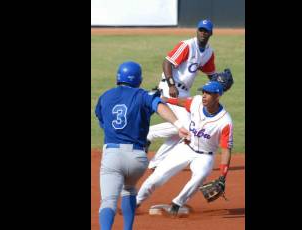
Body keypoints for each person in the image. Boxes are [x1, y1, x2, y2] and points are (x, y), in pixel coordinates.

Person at [95, 61, 189, 230]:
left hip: (113, 156)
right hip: (137, 159)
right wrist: (178, 125)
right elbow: (160, 106)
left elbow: (103, 122)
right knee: (129, 190)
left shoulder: (105, 96)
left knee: (108, 200)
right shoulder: (143, 95)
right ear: (139, 80)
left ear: (118, 77)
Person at [136, 81, 233, 215]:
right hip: (185, 147)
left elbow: (226, 149)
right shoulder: (197, 101)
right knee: (157, 176)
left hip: (205, 156)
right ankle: (135, 202)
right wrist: (164, 99)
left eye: (208, 93)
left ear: (217, 96)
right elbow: (181, 102)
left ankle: (176, 205)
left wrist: (223, 176)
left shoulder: (225, 122)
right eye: (203, 92)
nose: (204, 96)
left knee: (200, 176)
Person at [146, 19, 218, 170]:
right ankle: (149, 134)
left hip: (184, 92)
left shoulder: (208, 53)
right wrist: (171, 84)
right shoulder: (187, 45)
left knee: (183, 130)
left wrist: (221, 84)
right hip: (170, 87)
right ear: (197, 31)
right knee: (188, 127)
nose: (203, 33)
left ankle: (157, 161)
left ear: (211, 33)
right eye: (201, 30)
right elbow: (167, 62)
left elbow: (211, 75)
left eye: (206, 31)